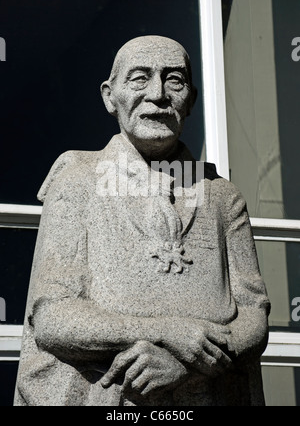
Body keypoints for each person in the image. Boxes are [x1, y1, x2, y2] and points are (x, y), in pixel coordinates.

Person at [14, 36, 270, 406]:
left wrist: (188, 364)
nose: (158, 94)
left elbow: (253, 315)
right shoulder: (78, 182)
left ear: (192, 100)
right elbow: (53, 318)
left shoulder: (222, 196)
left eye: (175, 80)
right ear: (109, 95)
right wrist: (166, 332)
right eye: (139, 78)